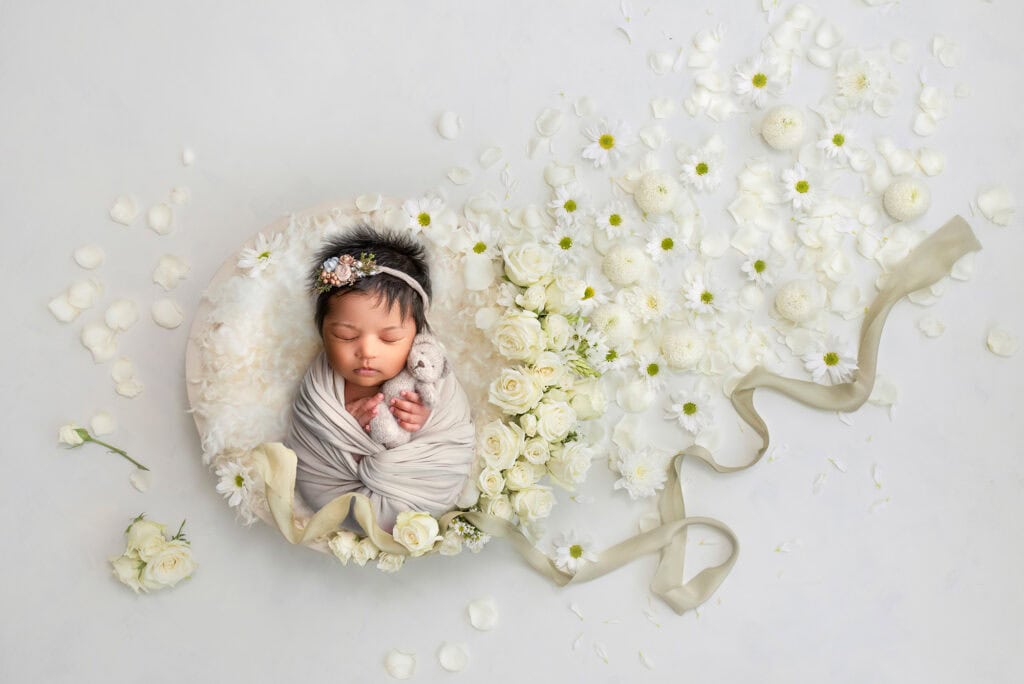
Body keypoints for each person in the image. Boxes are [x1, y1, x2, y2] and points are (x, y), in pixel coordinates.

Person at [285, 224, 475, 533]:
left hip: (418, 490)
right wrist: (345, 430)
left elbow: (450, 429)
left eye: (389, 339)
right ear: (322, 333)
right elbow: (309, 443)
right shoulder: (320, 390)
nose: (367, 352)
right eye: (345, 335)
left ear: (416, 334)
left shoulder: (425, 374)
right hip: (337, 492)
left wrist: (424, 417)